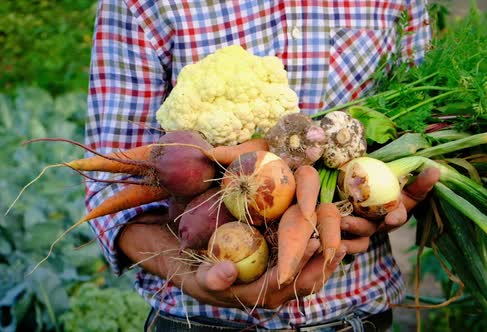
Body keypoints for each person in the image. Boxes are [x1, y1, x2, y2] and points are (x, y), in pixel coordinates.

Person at [85, 0, 436, 331]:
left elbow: (424, 124)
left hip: (359, 315)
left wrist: (390, 192)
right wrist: (184, 272)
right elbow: (108, 186)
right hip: (199, 322)